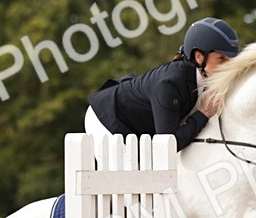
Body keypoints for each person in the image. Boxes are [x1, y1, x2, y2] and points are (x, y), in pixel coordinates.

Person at [86, 17, 239, 151]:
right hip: (107, 119)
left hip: (138, 123)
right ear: (199, 57)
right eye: (221, 59)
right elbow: (167, 145)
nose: (228, 65)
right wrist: (203, 114)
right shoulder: (170, 84)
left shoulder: (203, 74)